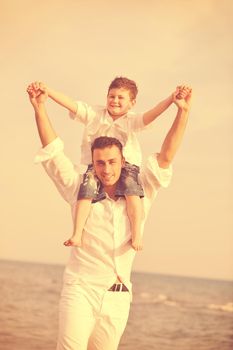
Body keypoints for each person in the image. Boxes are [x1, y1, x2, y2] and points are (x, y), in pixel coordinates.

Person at [27, 82, 192, 350]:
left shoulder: (140, 193)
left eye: (112, 162)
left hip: (118, 298)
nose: (106, 168)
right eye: (100, 162)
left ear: (124, 162)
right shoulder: (79, 188)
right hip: (80, 290)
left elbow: (166, 157)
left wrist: (182, 112)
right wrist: (40, 108)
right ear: (93, 163)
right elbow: (53, 153)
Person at [27, 78, 190, 251]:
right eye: (111, 96)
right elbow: (71, 104)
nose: (115, 101)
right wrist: (48, 92)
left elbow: (153, 114)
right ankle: (77, 233)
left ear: (132, 103)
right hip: (93, 166)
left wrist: (172, 100)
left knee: (133, 196)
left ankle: (137, 234)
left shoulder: (132, 121)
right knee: (85, 196)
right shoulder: (94, 114)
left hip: (127, 168)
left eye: (121, 98)